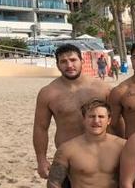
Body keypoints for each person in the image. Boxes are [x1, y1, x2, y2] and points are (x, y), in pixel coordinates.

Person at [34, 44, 111, 180]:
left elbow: (117, 122)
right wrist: (41, 159)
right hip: (68, 157)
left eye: (73, 60)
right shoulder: (48, 93)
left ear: (82, 61)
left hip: (102, 154)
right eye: (63, 62)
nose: (69, 65)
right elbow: (40, 128)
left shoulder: (102, 89)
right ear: (57, 65)